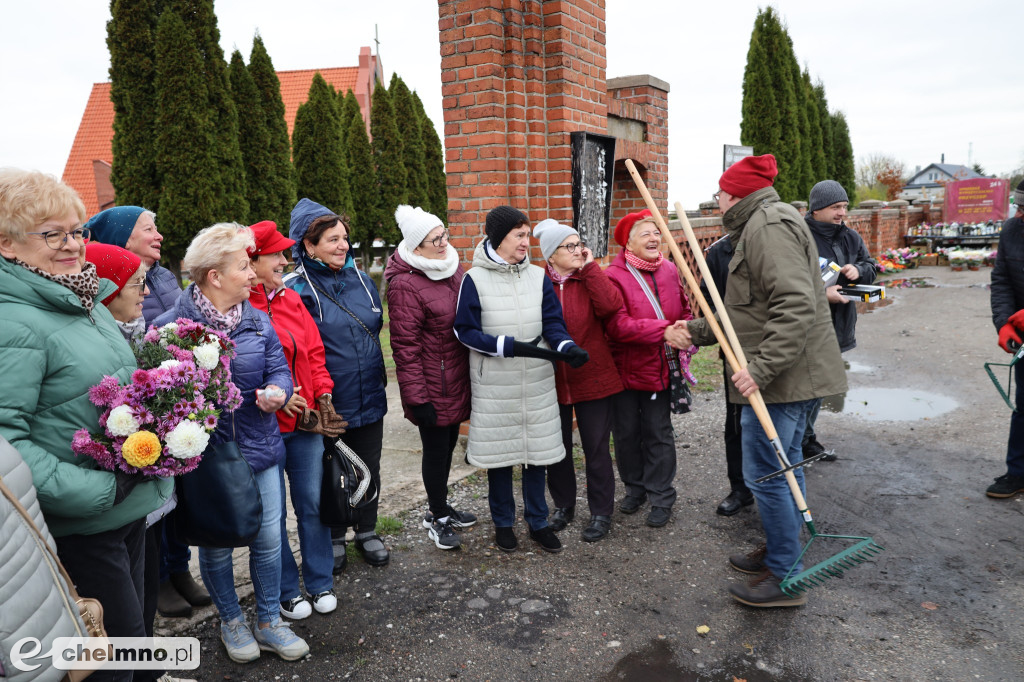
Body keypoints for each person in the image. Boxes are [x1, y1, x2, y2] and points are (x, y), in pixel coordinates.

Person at [0, 169, 172, 682]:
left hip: (126, 504)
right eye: (53, 234)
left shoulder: (80, 299)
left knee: (136, 646)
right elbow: (6, 443)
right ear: (6, 242)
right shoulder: (14, 322)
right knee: (107, 666)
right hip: (81, 525)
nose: (73, 245)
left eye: (77, 231)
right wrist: (99, 489)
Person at [683, 154, 847, 608]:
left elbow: (794, 304)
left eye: (719, 191)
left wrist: (759, 370)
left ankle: (785, 576)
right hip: (788, 374)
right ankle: (782, 549)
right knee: (786, 465)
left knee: (768, 473)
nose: (716, 199)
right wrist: (695, 330)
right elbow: (745, 310)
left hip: (781, 378)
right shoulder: (763, 222)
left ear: (735, 194)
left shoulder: (766, 227)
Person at [155, 223, 309, 663]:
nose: (253, 274)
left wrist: (278, 390)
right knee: (218, 544)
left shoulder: (258, 320)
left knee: (267, 540)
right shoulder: (170, 329)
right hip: (210, 462)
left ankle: (268, 621)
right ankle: (231, 621)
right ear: (214, 276)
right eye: (244, 266)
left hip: (261, 451)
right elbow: (163, 399)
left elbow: (279, 369)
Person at [84, 205, 204, 618]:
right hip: (132, 409)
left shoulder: (164, 277)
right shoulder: (110, 300)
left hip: (157, 391)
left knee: (171, 501)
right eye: (148, 228)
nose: (159, 235)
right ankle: (161, 580)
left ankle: (176, 569)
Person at [454, 205, 588, 554]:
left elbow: (552, 323)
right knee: (500, 460)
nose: (526, 242)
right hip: (496, 384)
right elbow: (464, 331)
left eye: (527, 235)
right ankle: (503, 523)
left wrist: (565, 346)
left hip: (537, 382)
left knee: (535, 455)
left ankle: (538, 523)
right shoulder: (474, 279)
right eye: (519, 235)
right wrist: (504, 346)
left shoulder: (537, 276)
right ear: (499, 238)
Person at [246, 220, 347, 620]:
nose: (285, 261)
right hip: (264, 428)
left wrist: (323, 395)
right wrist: (276, 397)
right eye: (277, 255)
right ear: (251, 261)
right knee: (273, 517)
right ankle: (287, 590)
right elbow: (240, 366)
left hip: (306, 426)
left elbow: (314, 353)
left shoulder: (290, 299)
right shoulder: (238, 305)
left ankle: (320, 582)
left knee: (311, 503)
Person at [285, 199, 390, 567]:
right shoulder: (294, 289)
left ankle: (367, 530)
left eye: (344, 238)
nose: (343, 245)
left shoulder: (361, 279)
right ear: (308, 245)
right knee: (332, 469)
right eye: (332, 239)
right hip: (328, 398)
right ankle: (335, 535)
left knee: (368, 465)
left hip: (370, 393)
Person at [384, 205, 475, 551]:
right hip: (431, 385)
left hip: (456, 378)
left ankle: (442, 506)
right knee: (436, 452)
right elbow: (404, 347)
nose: (443, 242)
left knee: (448, 447)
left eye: (443, 235)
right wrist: (417, 398)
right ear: (416, 246)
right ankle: (436, 516)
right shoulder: (405, 285)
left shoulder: (452, 268)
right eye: (434, 239)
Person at [534, 218, 623, 542]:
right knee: (556, 448)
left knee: (596, 447)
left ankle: (601, 512)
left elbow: (612, 306)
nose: (578, 250)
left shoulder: (589, 277)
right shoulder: (538, 282)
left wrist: (590, 269)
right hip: (551, 379)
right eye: (569, 246)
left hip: (593, 375)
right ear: (550, 255)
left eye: (578, 243)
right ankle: (563, 506)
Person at [604, 209, 694, 529]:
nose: (655, 238)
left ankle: (661, 496)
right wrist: (662, 331)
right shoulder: (613, 276)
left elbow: (683, 307)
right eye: (645, 233)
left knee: (658, 432)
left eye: (657, 232)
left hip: (661, 366)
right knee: (626, 433)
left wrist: (685, 330)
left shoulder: (669, 269)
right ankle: (634, 488)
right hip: (625, 369)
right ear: (627, 242)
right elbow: (617, 325)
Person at [800, 180, 877, 462]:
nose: (841, 212)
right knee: (806, 387)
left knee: (820, 388)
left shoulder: (850, 237)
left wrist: (858, 270)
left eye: (844, 206)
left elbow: (871, 267)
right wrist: (822, 294)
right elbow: (789, 283)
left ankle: (806, 439)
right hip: (807, 325)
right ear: (816, 209)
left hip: (839, 324)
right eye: (835, 207)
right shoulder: (800, 235)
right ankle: (798, 442)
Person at [699, 235, 754, 517]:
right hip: (736, 351)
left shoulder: (775, 241)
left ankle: (776, 488)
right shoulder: (720, 252)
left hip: (777, 346)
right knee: (737, 421)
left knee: (781, 419)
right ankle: (741, 488)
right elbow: (706, 303)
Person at [987, 179, 1024, 499]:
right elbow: (1001, 281)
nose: (1021, 214)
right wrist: (1003, 324)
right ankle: (1017, 473)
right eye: (1019, 208)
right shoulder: (1013, 230)